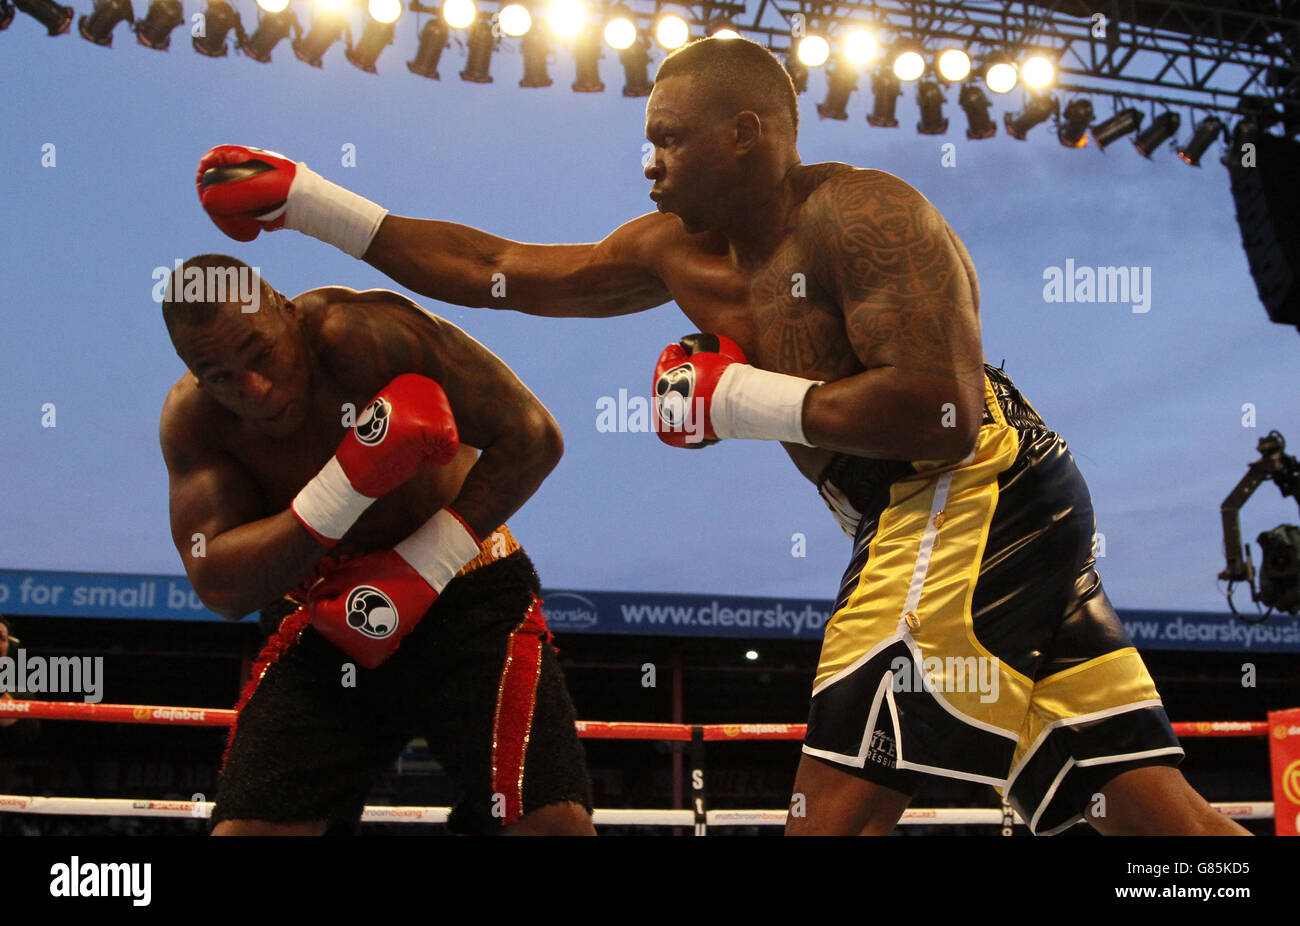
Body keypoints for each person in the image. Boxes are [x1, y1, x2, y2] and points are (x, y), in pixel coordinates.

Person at [192, 38, 1247, 836]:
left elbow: (942, 409)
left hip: (967, 488)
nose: (646, 161)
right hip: (916, 510)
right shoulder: (671, 252)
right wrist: (310, 204)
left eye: (667, 137)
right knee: (1151, 810)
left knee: (830, 807)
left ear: (747, 133)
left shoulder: (866, 217)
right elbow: (496, 269)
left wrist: (738, 401)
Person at [158, 254, 594, 835]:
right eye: (220, 378)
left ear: (287, 312)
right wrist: (346, 484)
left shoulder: (363, 336)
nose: (254, 389)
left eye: (260, 356)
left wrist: (421, 565)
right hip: (324, 610)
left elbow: (534, 435)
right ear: (193, 372)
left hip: (466, 596)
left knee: (551, 825)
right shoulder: (196, 421)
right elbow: (218, 583)